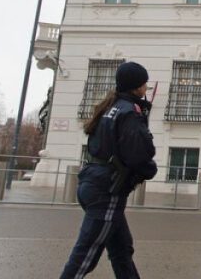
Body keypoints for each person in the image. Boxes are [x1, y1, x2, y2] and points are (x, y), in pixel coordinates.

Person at [60, 61, 158, 279]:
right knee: (86, 255)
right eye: (144, 83)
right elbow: (139, 153)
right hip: (107, 190)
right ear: (138, 86)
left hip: (93, 181)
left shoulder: (110, 107)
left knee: (121, 248)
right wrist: (150, 169)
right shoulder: (129, 112)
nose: (146, 87)